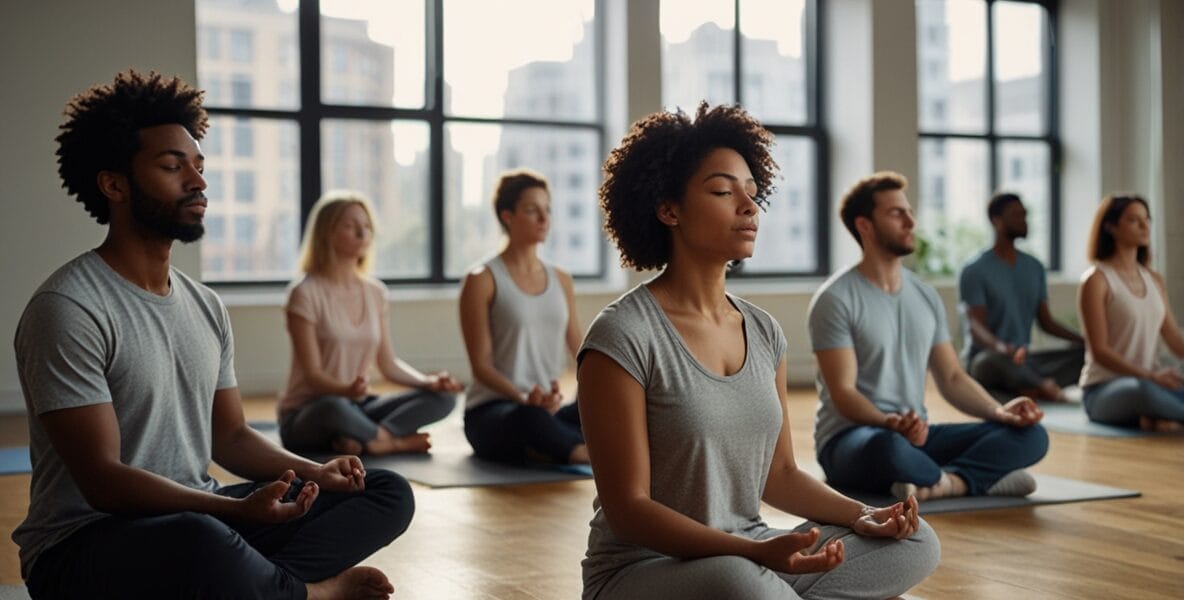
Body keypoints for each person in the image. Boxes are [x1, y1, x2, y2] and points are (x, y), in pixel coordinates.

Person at [12, 70, 409, 599]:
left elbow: (233, 437)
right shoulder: (68, 307)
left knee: (385, 491)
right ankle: (310, 593)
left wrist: (318, 470)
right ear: (115, 184)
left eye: (199, 166)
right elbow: (103, 482)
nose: (198, 182)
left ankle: (258, 584)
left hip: (201, 517)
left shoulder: (204, 305)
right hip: (84, 545)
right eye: (173, 166)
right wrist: (231, 510)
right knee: (200, 540)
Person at [577, 104, 940, 600]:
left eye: (752, 191)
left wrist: (866, 515)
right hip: (647, 569)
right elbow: (629, 508)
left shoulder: (764, 332)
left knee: (916, 542)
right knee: (741, 583)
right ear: (669, 209)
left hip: (750, 553)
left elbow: (782, 475)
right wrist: (751, 555)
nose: (748, 206)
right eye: (724, 191)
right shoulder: (622, 336)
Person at [809, 172, 1049, 502]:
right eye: (896, 213)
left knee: (1032, 435)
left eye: (909, 212)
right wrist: (889, 422)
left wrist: (1000, 413)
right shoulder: (835, 299)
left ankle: (949, 482)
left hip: (916, 436)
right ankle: (981, 477)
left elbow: (951, 377)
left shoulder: (925, 296)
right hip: (854, 439)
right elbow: (843, 393)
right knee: (890, 448)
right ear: (864, 225)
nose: (910, 221)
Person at [278, 191, 460, 456]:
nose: (363, 234)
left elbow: (388, 364)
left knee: (444, 398)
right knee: (332, 407)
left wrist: (428, 382)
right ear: (327, 233)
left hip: (358, 408)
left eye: (366, 227)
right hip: (309, 412)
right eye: (351, 227)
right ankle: (389, 442)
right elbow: (313, 375)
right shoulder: (304, 293)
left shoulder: (375, 292)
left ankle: (366, 438)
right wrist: (345, 390)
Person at [458, 169, 588, 465]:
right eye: (532, 210)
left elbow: (581, 350)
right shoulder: (482, 279)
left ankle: (551, 447)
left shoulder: (561, 279)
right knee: (530, 420)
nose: (544, 219)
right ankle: (584, 454)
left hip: (547, 410)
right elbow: (481, 366)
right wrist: (523, 396)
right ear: (507, 216)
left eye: (547, 210)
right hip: (496, 411)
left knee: (606, 405)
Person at [959, 192, 1084, 401]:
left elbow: (1046, 323)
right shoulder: (975, 270)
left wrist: (1085, 341)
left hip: (1025, 360)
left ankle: (1029, 388)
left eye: (1025, 214)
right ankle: (1039, 386)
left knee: (1084, 354)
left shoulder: (1034, 267)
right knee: (987, 362)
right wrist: (1002, 348)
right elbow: (976, 326)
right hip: (993, 358)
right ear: (996, 221)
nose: (1024, 220)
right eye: (1016, 215)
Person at [1077, 194, 1184, 431]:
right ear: (1111, 227)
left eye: (1147, 219)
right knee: (1143, 390)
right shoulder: (1096, 280)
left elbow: (1174, 338)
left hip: (1151, 382)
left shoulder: (1155, 280)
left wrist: (1155, 378)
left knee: (1163, 386)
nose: (1145, 226)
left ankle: (1158, 419)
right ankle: (1158, 417)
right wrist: (1150, 376)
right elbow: (1100, 351)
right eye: (1134, 220)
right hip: (1103, 390)